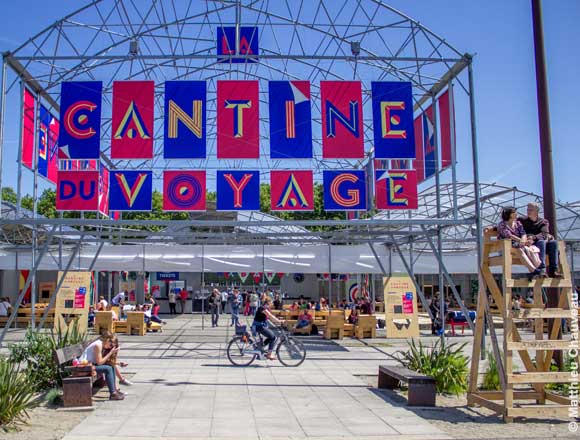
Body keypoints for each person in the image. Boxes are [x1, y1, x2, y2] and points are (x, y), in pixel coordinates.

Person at [518, 202, 562, 278]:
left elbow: (544, 234)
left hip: (539, 245)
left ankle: (553, 270)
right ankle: (541, 269)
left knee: (554, 243)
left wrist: (533, 237)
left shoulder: (543, 222)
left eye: (531, 210)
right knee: (541, 242)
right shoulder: (522, 220)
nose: (528, 211)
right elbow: (513, 227)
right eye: (528, 209)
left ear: (537, 211)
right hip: (529, 245)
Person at [497, 207, 542, 277]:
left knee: (530, 248)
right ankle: (533, 270)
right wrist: (522, 241)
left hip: (518, 244)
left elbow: (523, 233)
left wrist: (523, 240)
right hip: (506, 246)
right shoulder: (502, 224)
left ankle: (538, 269)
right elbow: (509, 235)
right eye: (514, 212)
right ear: (509, 214)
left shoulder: (518, 223)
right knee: (520, 250)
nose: (516, 214)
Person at [80, 331, 124, 400]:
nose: (110, 347)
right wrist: (110, 353)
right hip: (83, 368)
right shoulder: (98, 345)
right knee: (108, 369)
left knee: (111, 366)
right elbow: (100, 362)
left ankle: (114, 391)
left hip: (90, 366)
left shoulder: (101, 344)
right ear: (107, 340)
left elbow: (103, 361)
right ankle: (113, 394)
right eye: (111, 345)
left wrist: (116, 358)